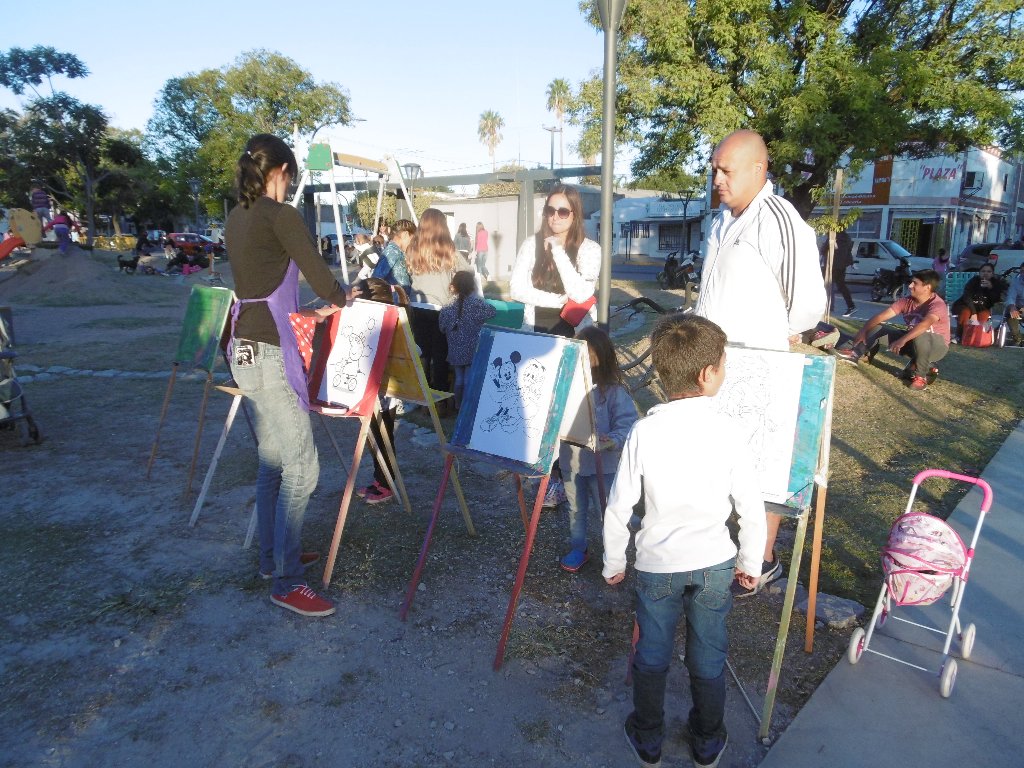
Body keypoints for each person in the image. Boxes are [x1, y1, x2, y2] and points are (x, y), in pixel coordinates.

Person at [604, 314, 767, 768]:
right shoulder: (730, 432)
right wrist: (751, 563)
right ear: (706, 374)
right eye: (723, 364)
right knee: (708, 650)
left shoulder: (644, 431)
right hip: (715, 563)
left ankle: (649, 737)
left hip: (657, 564)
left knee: (653, 652)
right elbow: (750, 507)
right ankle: (707, 739)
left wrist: (613, 560)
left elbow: (620, 506)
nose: (724, 371)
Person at [225, 133, 359, 618]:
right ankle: (286, 580)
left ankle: (271, 556)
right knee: (303, 468)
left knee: (273, 460)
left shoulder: (235, 218)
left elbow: (264, 287)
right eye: (293, 175)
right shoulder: (280, 215)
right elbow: (322, 279)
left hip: (244, 346)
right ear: (280, 172)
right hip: (266, 352)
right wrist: (348, 295)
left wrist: (310, 313)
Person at [694, 129, 826, 597]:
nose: (717, 178)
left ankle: (762, 558)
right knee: (717, 459)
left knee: (760, 466)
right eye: (714, 168)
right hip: (712, 365)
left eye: (726, 170)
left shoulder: (780, 220)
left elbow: (809, 304)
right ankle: (719, 546)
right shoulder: (718, 222)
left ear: (758, 170)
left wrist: (771, 336)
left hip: (761, 365)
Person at [557, 326, 638, 573]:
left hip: (604, 466)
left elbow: (627, 425)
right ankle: (578, 547)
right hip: (570, 461)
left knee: (608, 512)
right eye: (579, 353)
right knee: (575, 508)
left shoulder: (614, 392)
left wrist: (611, 440)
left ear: (601, 356)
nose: (584, 360)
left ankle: (613, 555)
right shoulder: (565, 387)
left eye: (589, 354)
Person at [833, 269, 950, 390]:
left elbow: (924, 325)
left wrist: (902, 340)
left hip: (936, 347)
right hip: (913, 340)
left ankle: (921, 377)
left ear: (927, 287)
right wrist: (863, 331)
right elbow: (881, 316)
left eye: (915, 283)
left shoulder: (937, 304)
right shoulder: (906, 301)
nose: (910, 286)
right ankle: (855, 354)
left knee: (921, 334)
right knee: (877, 327)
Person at [510, 184, 602, 335]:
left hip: (575, 335)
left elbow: (580, 294)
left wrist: (557, 251)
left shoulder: (590, 249)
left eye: (563, 212)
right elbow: (516, 290)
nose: (555, 217)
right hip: (534, 332)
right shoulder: (531, 244)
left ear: (575, 214)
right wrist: (558, 300)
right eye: (550, 210)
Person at [406, 209, 472, 407]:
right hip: (441, 307)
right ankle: (441, 399)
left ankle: (422, 397)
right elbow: (467, 272)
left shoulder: (413, 248)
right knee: (440, 355)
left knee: (422, 353)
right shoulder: (448, 249)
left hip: (416, 305)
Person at [352, 277, 410, 505]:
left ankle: (387, 483)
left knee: (384, 440)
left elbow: (412, 352)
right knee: (373, 438)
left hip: (386, 396)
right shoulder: (373, 321)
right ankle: (380, 478)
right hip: (371, 393)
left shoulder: (394, 323)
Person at [438, 270, 496, 409]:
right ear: (472, 286)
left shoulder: (447, 306)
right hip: (472, 348)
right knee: (469, 378)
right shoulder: (476, 304)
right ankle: (467, 405)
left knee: (459, 378)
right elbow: (493, 311)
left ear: (454, 286)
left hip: (454, 349)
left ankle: (458, 405)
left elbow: (441, 327)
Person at [950, 263, 1006, 343]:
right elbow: (967, 297)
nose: (985, 273)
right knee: (965, 312)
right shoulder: (974, 281)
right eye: (983, 271)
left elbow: (995, 300)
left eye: (989, 271)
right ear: (979, 273)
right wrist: (973, 313)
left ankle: (974, 336)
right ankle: (960, 336)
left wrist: (990, 288)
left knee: (984, 315)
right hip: (965, 305)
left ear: (992, 274)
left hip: (982, 307)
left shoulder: (995, 284)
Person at [371, 218, 414, 295]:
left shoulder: (397, 251)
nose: (412, 243)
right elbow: (376, 280)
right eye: (412, 239)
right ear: (405, 234)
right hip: (395, 303)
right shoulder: (392, 252)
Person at [822, 230, 855, 317]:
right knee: (840, 286)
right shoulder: (847, 238)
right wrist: (851, 263)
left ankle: (829, 306)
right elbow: (848, 252)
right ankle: (850, 305)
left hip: (833, 265)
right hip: (841, 266)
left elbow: (823, 250)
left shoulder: (833, 238)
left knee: (827, 285)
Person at [1003, 268, 1024, 347]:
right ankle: (1017, 338)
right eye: (1022, 271)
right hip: (1019, 308)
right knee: (1011, 313)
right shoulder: (1016, 283)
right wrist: (1012, 307)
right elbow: (1011, 297)